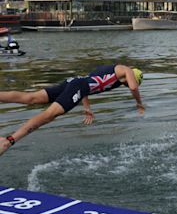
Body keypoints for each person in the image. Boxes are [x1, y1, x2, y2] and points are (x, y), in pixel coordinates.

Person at [0, 64, 144, 156]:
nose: (125, 85)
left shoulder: (109, 70)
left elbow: (86, 83)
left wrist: (87, 108)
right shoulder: (125, 70)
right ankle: (8, 141)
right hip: (78, 86)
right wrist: (139, 104)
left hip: (74, 82)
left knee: (31, 98)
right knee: (49, 115)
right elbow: (133, 87)